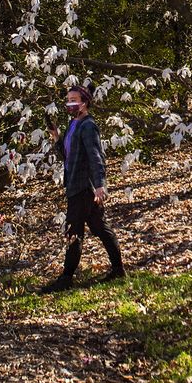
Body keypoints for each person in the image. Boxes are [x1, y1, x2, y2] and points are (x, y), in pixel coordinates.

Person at [40, 83, 125, 292]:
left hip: (84, 188)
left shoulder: (88, 126)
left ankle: (67, 278)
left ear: (85, 103)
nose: (69, 103)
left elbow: (97, 157)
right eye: (68, 100)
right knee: (99, 227)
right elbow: (67, 155)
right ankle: (118, 269)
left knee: (73, 231)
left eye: (74, 100)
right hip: (75, 185)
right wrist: (56, 136)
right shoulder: (73, 124)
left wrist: (99, 185)